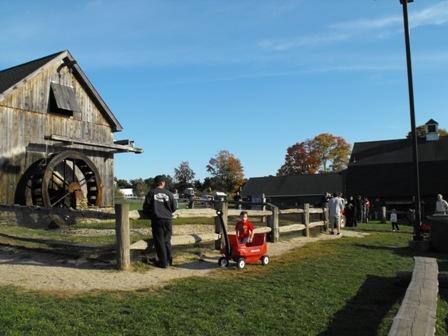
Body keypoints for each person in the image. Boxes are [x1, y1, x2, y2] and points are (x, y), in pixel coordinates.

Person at [143, 175, 176, 268]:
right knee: (167, 240)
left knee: (159, 241)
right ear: (162, 183)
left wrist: (152, 212)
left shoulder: (151, 193)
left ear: (156, 183)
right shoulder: (169, 194)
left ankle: (163, 262)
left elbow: (146, 207)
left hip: (157, 219)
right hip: (168, 220)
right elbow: (174, 208)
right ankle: (169, 261)